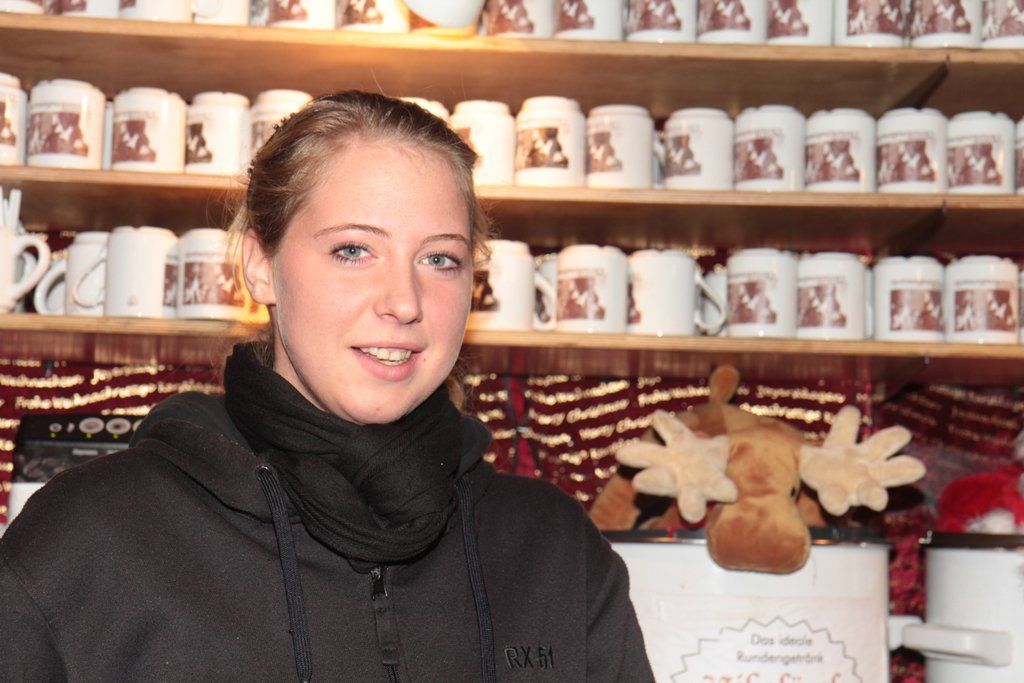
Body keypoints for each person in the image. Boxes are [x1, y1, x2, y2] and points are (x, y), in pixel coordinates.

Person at [0, 91, 654, 682]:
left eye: (440, 259)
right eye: (353, 250)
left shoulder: (555, 550)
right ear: (260, 265)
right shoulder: (91, 535)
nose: (404, 301)